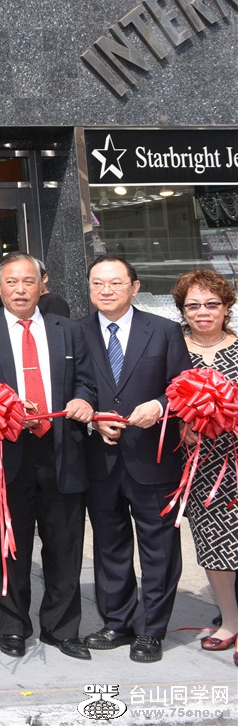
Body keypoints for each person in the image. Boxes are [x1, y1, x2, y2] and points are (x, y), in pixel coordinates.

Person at [0, 252, 93, 661]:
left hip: (61, 449)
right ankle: (12, 625)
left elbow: (86, 380)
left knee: (64, 544)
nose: (20, 290)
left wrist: (83, 399)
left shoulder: (68, 329)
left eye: (28, 281)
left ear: (42, 285)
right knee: (9, 545)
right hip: (7, 449)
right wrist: (8, 410)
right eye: (11, 282)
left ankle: (61, 628)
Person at [77, 255, 192, 664]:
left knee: (158, 548)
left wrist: (160, 406)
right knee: (109, 545)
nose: (105, 290)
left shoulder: (163, 331)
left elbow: (182, 386)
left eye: (115, 283)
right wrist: (92, 417)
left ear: (135, 287)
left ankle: (151, 630)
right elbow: (78, 386)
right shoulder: (76, 332)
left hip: (153, 458)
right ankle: (118, 622)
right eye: (97, 283)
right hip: (101, 458)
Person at [172, 269, 238, 658]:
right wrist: (181, 426)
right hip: (200, 467)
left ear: (226, 306)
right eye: (193, 305)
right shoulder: (174, 350)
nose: (202, 312)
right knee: (215, 544)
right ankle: (230, 621)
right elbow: (160, 399)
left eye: (211, 304)